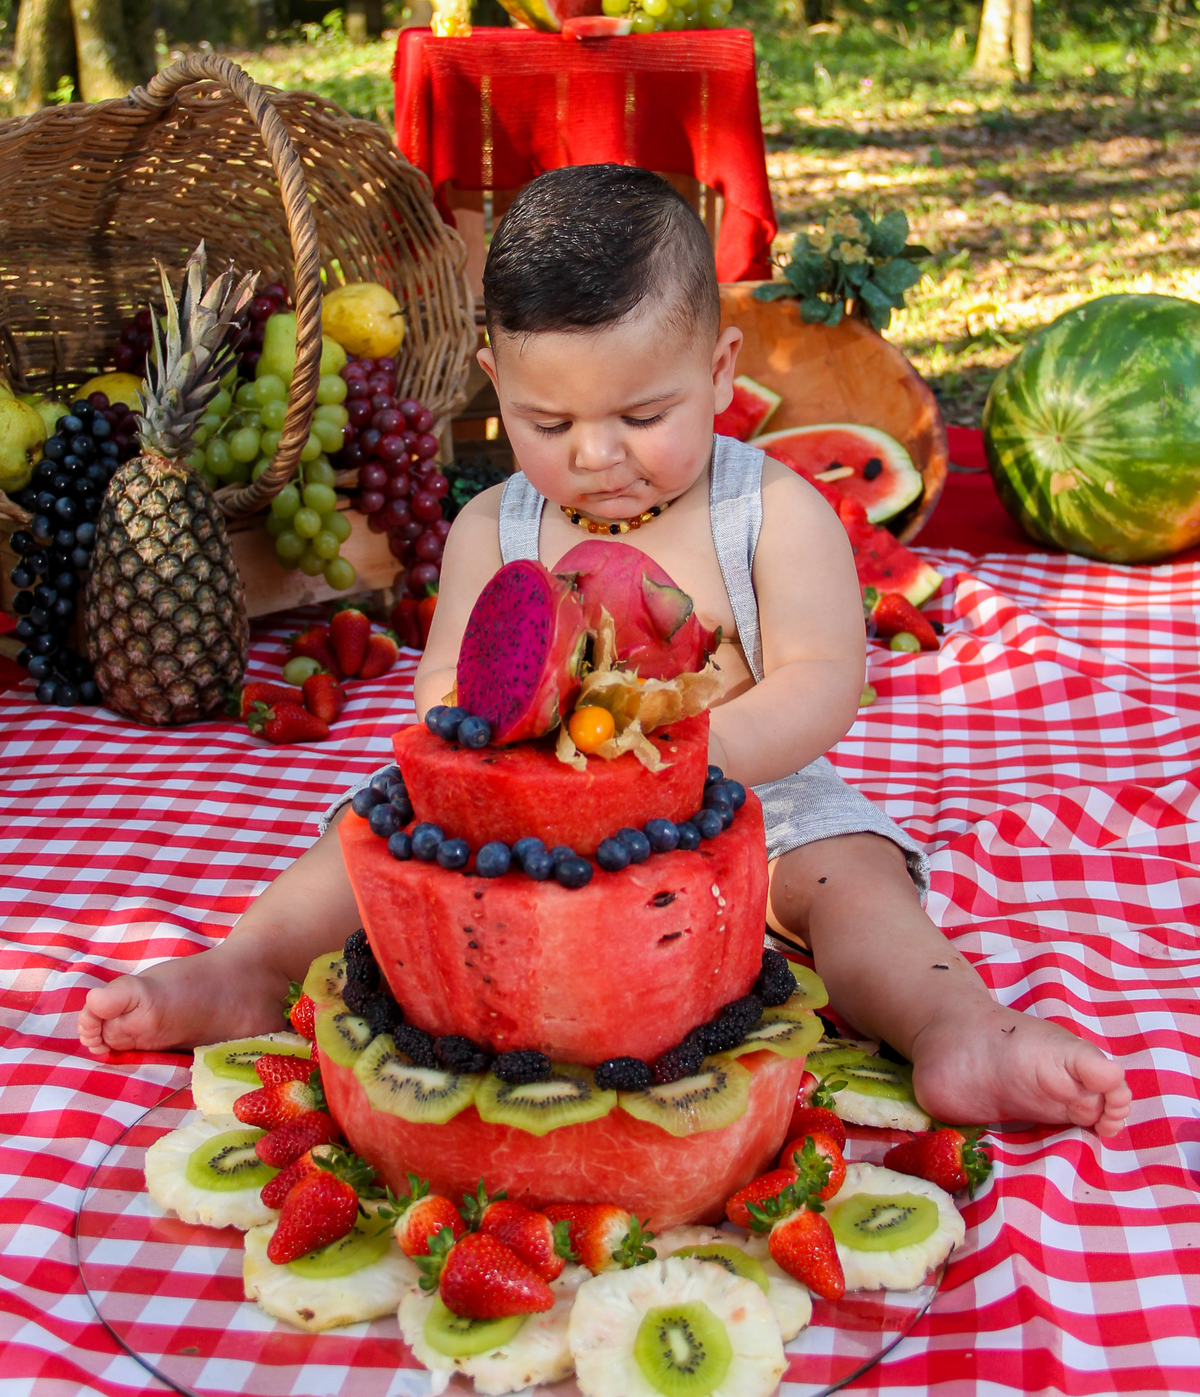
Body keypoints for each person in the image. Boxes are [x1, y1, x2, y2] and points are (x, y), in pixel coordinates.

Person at [79, 165, 1130, 1141]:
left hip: (746, 794)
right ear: (494, 384)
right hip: (526, 797)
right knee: (366, 837)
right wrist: (492, 741)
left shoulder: (770, 509)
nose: (595, 454)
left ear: (718, 371)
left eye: (643, 413)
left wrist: (697, 757)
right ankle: (249, 964)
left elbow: (823, 680)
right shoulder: (495, 524)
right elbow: (444, 680)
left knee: (852, 881)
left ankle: (955, 1025)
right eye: (548, 421)